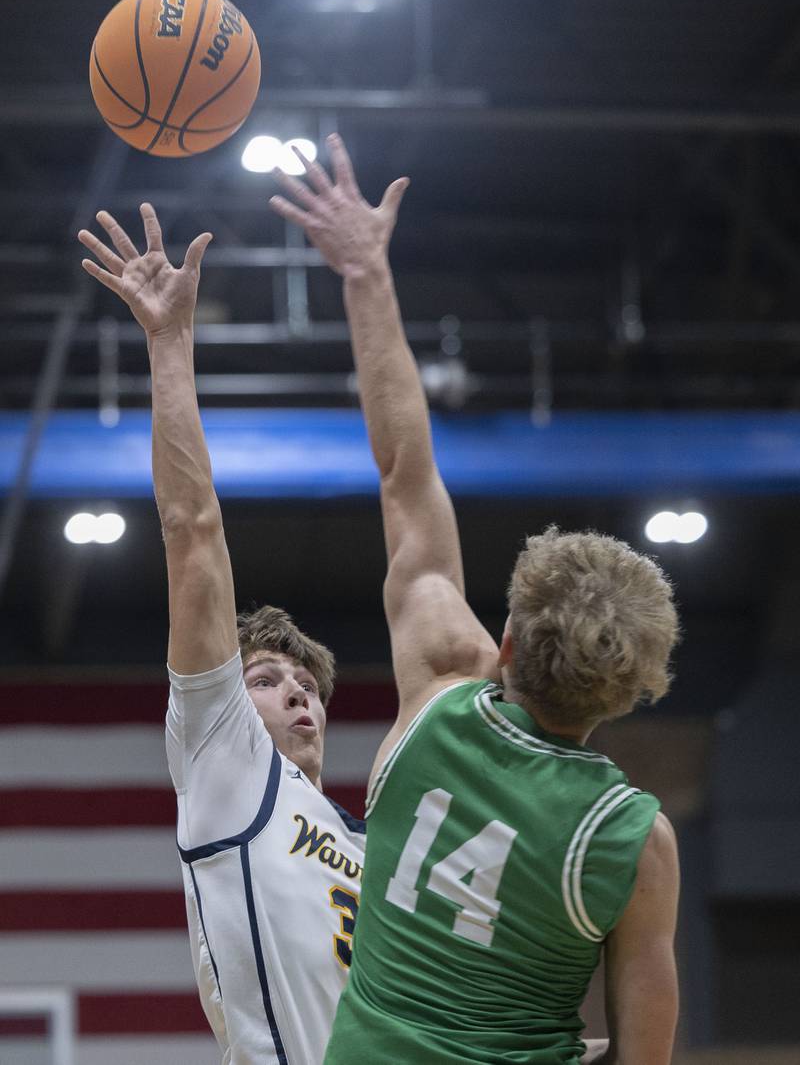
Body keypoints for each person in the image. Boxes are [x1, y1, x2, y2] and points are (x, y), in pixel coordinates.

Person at [270, 134, 681, 1065]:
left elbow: (403, 471)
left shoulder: (440, 690)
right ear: (626, 692)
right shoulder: (635, 840)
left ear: (503, 641)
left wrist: (366, 271)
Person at [78, 205, 366, 1065]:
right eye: (270, 677)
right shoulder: (228, 761)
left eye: (307, 683)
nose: (299, 692)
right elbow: (192, 531)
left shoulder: (369, 844)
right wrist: (170, 342)